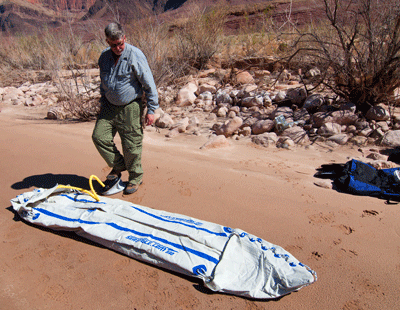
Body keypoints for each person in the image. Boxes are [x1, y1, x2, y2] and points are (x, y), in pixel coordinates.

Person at [92, 22, 159, 195]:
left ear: (125, 38)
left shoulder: (135, 55)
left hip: (130, 107)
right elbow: (103, 82)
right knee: (99, 137)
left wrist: (151, 110)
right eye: (113, 45)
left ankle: (135, 177)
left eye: (120, 43)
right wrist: (103, 100)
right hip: (108, 106)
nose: (118, 48)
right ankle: (119, 165)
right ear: (107, 42)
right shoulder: (103, 57)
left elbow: (149, 84)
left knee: (132, 145)